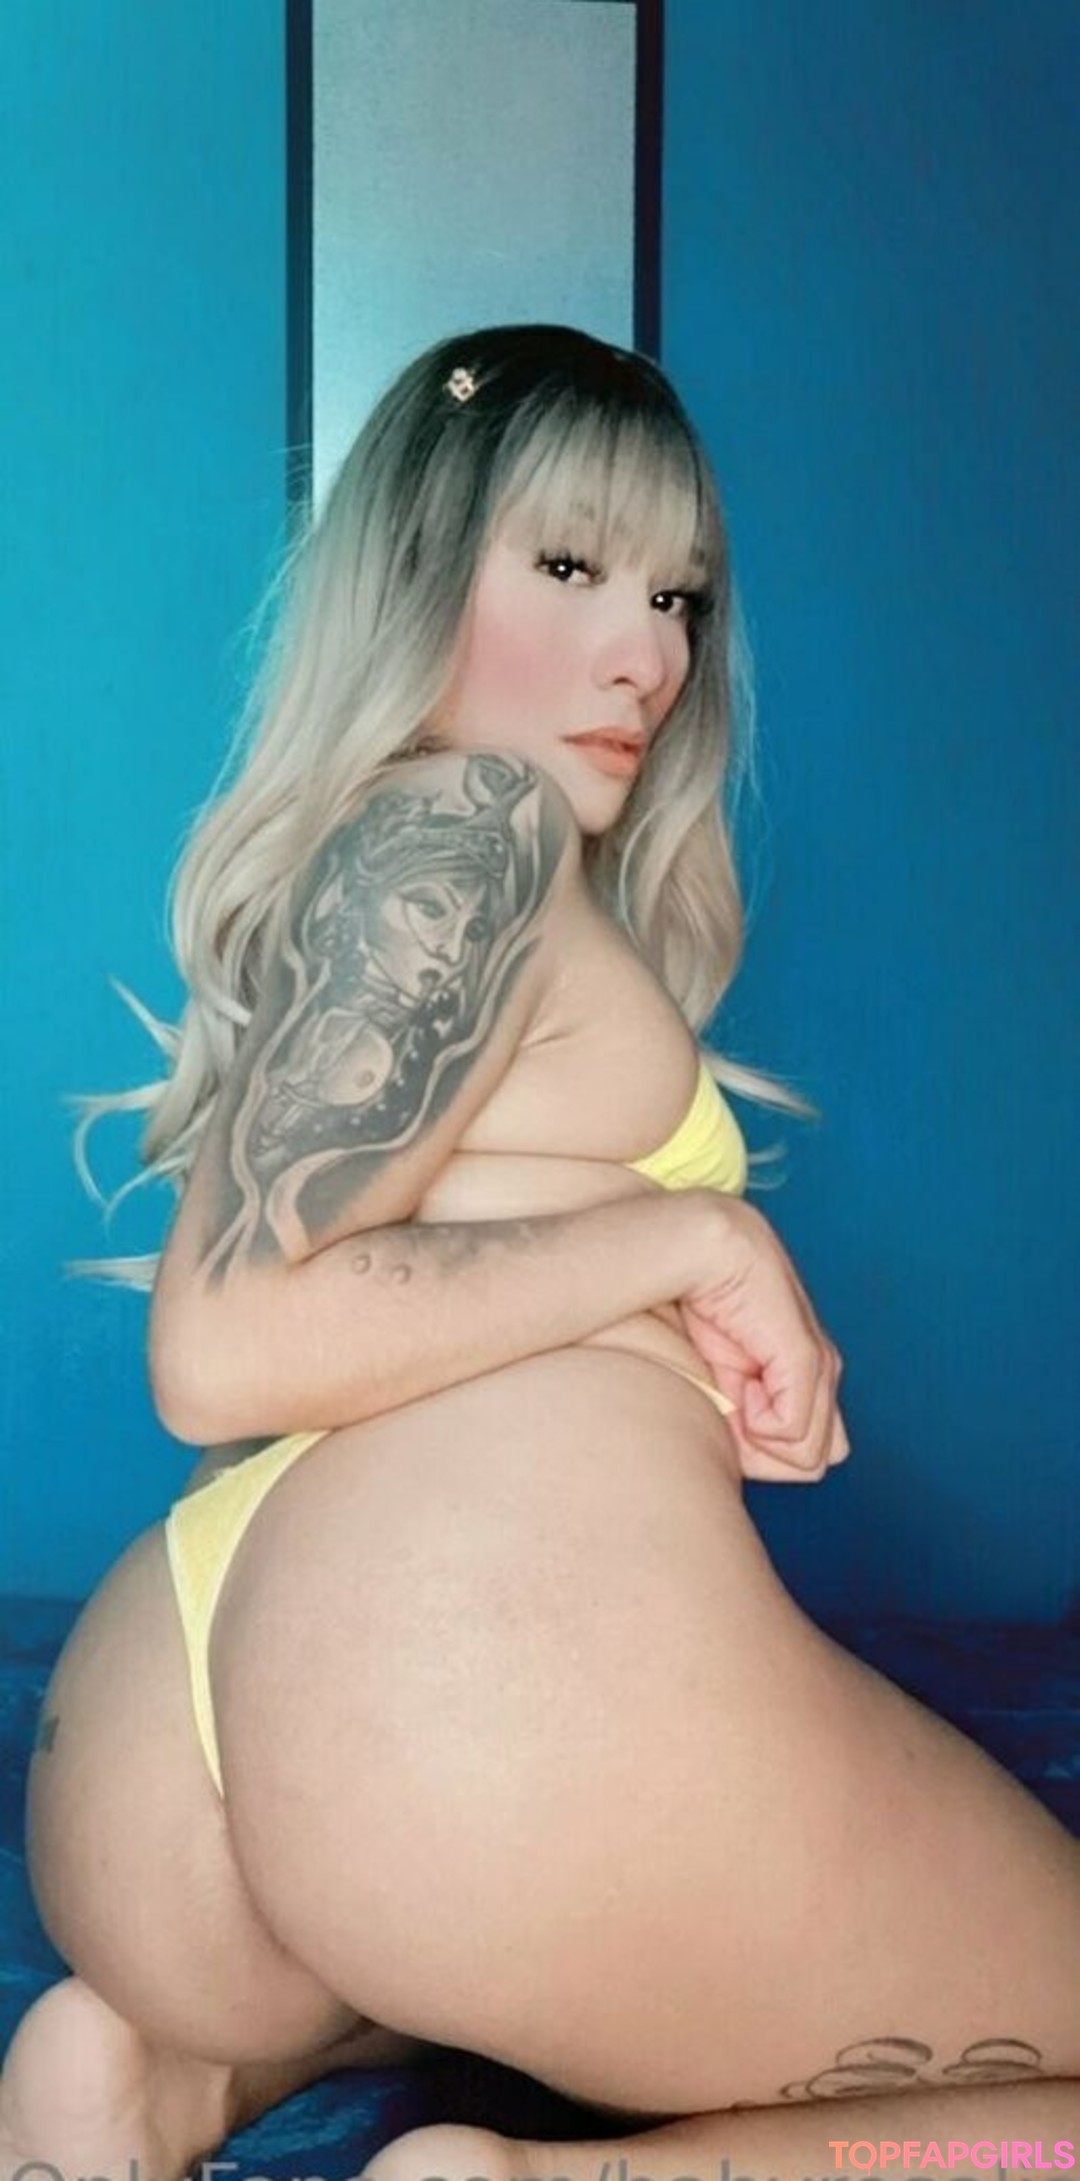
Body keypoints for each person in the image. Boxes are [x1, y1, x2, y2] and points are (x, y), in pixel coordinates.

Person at [2, 326, 1076, 2178]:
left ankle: (168, 2081)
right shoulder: (474, 824)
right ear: (419, 572)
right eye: (570, 565)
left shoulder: (424, 846)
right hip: (465, 1701)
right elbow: (224, 1337)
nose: (647, 653)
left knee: (453, 1928)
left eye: (678, 597)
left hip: (177, 1751)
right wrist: (692, 1232)